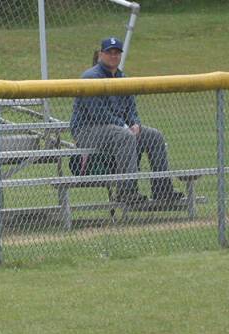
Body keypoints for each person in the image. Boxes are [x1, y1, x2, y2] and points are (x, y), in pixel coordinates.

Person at [70, 36, 186, 207]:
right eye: (109, 52)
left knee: (154, 136)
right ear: (101, 54)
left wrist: (135, 124)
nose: (113, 56)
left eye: (117, 53)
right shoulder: (90, 77)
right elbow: (98, 114)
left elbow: (131, 109)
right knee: (125, 136)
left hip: (117, 130)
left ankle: (163, 190)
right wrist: (125, 127)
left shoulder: (122, 78)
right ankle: (127, 192)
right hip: (88, 131)